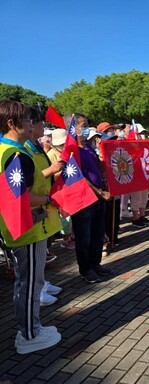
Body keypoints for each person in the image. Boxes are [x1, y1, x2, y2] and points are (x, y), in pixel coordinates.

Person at [0, 100, 62, 354]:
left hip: (24, 226)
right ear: (11, 123)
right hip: (27, 228)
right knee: (29, 283)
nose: (31, 124)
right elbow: (20, 196)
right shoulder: (14, 153)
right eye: (25, 120)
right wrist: (47, 198)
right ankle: (29, 334)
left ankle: (32, 327)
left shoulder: (8, 149)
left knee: (30, 281)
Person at [64, 113, 113, 283]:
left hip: (98, 197)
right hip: (83, 200)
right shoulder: (72, 150)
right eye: (83, 125)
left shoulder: (88, 147)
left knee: (98, 234)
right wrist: (99, 192)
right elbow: (78, 177)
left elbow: (98, 169)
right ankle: (85, 269)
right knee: (84, 237)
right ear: (73, 128)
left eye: (87, 125)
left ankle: (95, 264)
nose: (86, 129)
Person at [25, 107, 65, 306]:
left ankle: (41, 283)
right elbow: (30, 179)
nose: (43, 127)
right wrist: (52, 169)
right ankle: (36, 292)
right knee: (34, 258)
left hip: (43, 207)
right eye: (40, 123)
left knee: (42, 253)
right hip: (35, 209)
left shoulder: (36, 146)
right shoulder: (23, 148)